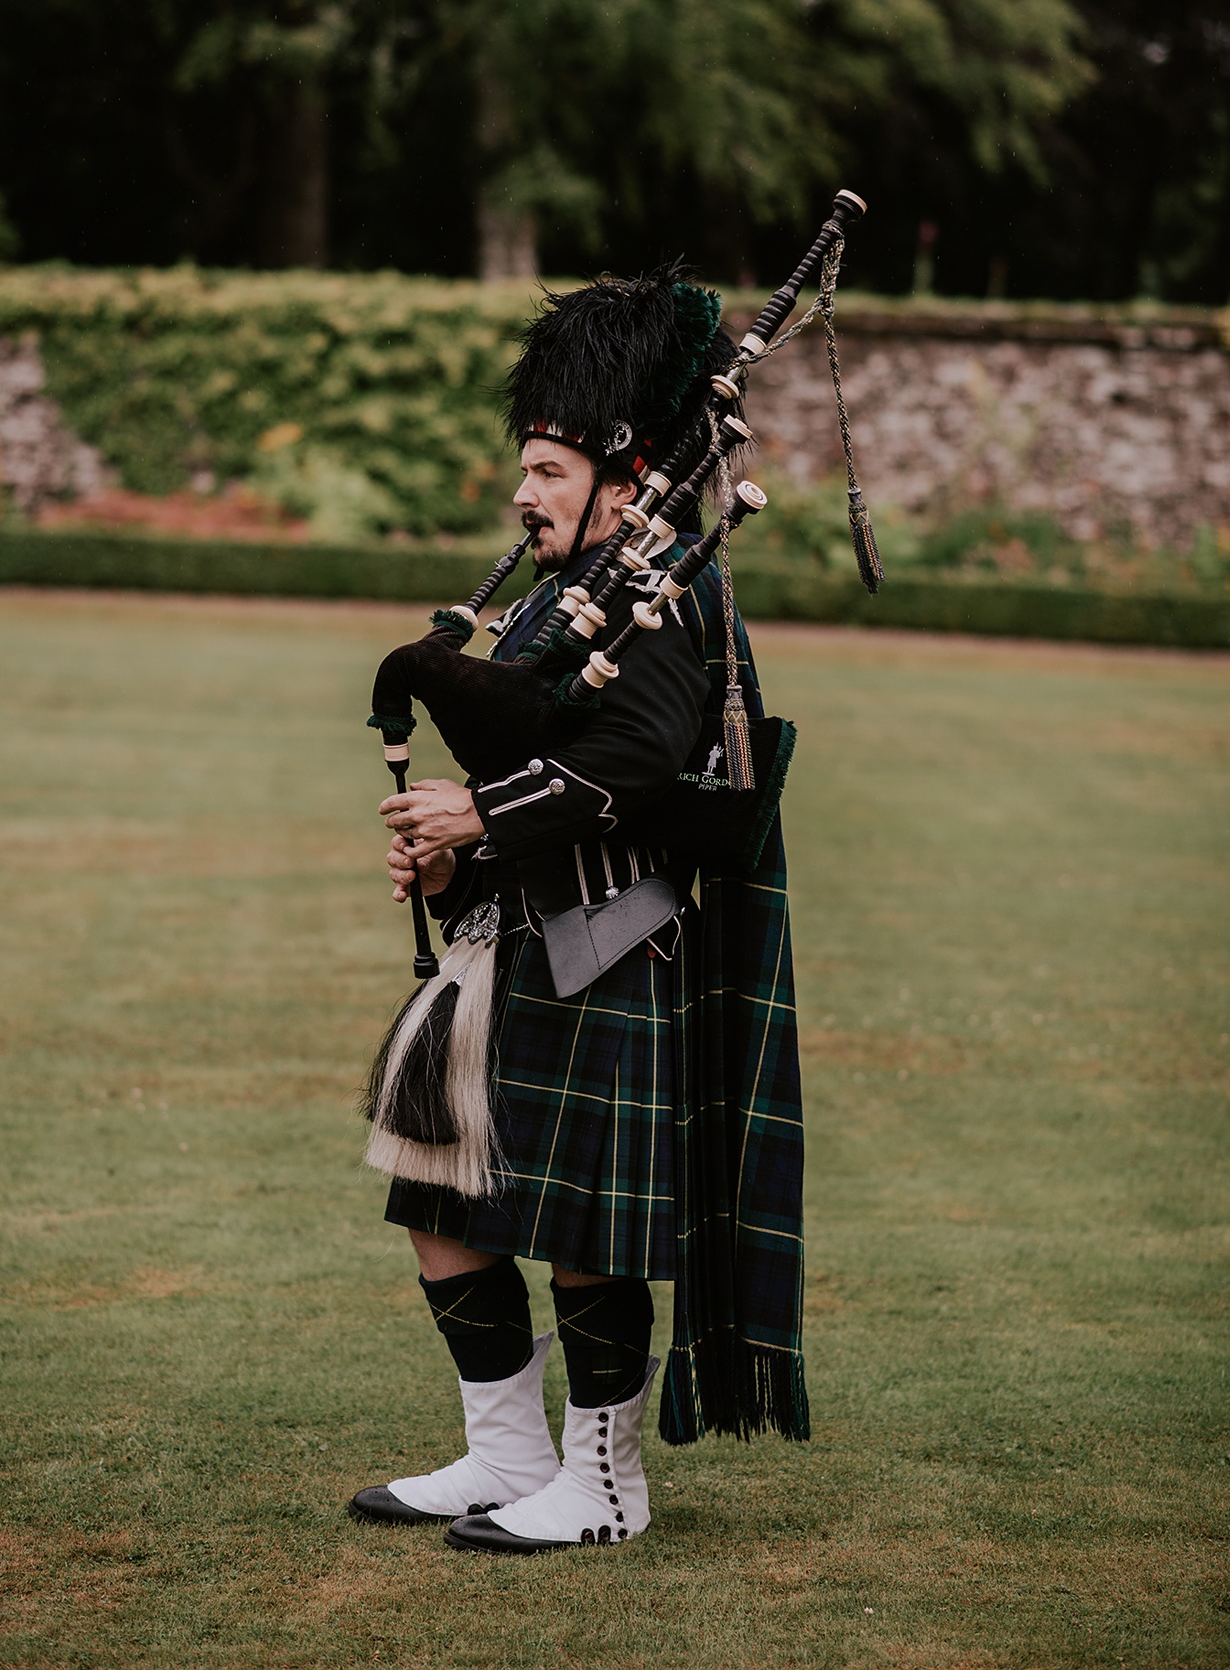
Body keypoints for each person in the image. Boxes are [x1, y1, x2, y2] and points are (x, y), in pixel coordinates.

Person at [351, 266, 807, 1554]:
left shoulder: (669, 586)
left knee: (585, 1234)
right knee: (442, 1196)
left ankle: (606, 1489)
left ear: (618, 474)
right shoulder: (572, 593)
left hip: (618, 947)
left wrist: (480, 818)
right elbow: (545, 749)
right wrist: (460, 864)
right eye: (528, 467)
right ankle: (507, 1457)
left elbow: (643, 763)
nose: (523, 491)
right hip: (523, 936)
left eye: (547, 469)